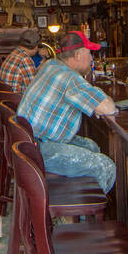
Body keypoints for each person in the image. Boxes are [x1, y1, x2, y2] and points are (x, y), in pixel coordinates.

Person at [16, 30, 118, 192]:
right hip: (40, 149)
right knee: (105, 166)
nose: (92, 59)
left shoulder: (51, 64)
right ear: (77, 55)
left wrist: (94, 99)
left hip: (27, 142)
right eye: (89, 53)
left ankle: (79, 202)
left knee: (91, 146)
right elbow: (108, 107)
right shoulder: (70, 78)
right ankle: (83, 208)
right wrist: (98, 99)